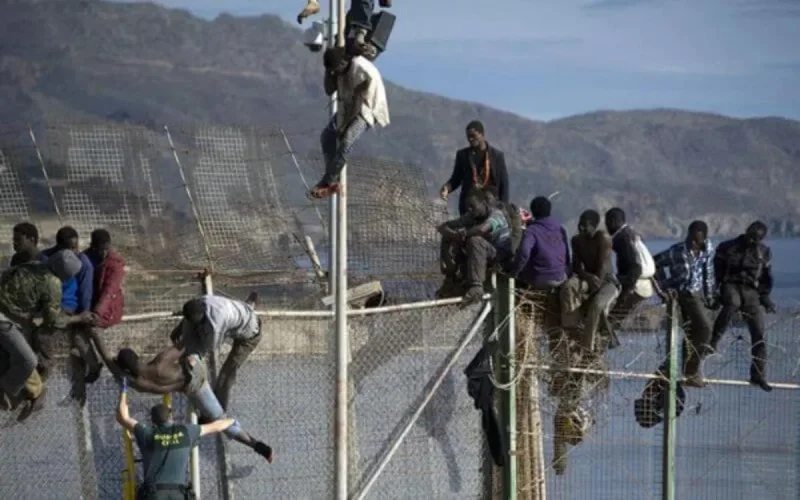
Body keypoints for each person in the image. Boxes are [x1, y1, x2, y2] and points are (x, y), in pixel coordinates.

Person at [89, 329, 273, 463]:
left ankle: (258, 446)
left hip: (192, 389)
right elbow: (185, 344)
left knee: (221, 421)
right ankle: (238, 326)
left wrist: (94, 335)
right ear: (138, 358)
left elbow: (108, 359)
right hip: (195, 373)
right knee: (191, 340)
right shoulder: (159, 363)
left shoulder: (134, 383)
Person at [0, 250, 92, 421]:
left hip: (12, 319)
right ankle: (8, 391)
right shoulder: (53, 284)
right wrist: (79, 318)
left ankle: (28, 391)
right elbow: (52, 321)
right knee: (28, 361)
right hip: (5, 321)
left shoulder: (34, 265)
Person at [115, 380, 234, 500]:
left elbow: (123, 417)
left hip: (154, 494)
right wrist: (232, 421)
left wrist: (123, 389)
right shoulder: (186, 432)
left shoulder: (147, 433)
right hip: (179, 494)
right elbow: (218, 426)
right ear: (171, 417)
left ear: (153, 422)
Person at [309, 46, 390, 199]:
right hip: (348, 107)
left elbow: (365, 96)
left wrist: (346, 126)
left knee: (347, 141)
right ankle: (333, 178)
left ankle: (326, 182)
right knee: (327, 136)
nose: (334, 73)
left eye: (335, 69)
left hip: (366, 108)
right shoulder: (336, 71)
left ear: (342, 64)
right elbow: (328, 90)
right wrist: (328, 72)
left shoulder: (360, 67)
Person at [709, 221, 776, 392]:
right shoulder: (727, 247)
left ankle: (758, 374)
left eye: (757, 239)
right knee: (732, 303)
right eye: (752, 237)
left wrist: (765, 297)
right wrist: (715, 293)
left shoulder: (764, 252)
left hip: (751, 291)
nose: (753, 241)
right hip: (730, 285)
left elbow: (766, 278)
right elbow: (716, 271)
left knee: (759, 333)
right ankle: (713, 341)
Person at [169, 293, 261, 411]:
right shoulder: (200, 301)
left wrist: (193, 359)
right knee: (191, 347)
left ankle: (218, 412)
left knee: (226, 375)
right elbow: (190, 320)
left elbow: (210, 348)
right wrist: (179, 329)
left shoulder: (215, 325)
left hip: (249, 334)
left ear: (203, 316)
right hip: (238, 315)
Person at [652, 220, 716, 388]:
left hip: (698, 294)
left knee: (691, 334)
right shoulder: (677, 251)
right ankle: (691, 370)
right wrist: (664, 286)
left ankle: (689, 371)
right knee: (705, 328)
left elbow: (708, 274)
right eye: (691, 239)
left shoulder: (707, 249)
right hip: (684, 293)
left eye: (698, 240)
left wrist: (710, 297)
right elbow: (654, 263)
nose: (694, 243)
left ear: (704, 238)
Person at [41, 226, 97, 402]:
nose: (75, 251)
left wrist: (83, 314)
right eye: (70, 248)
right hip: (52, 309)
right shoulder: (45, 259)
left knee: (77, 344)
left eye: (76, 247)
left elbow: (86, 290)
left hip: (71, 308)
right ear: (59, 246)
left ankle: (85, 380)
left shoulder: (81, 262)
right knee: (53, 348)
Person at [436, 188, 511, 304]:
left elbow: (482, 229)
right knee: (448, 237)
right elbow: (443, 227)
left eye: (473, 206)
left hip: (498, 254)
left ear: (484, 203)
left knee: (475, 240)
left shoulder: (496, 215)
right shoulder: (471, 216)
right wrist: (454, 234)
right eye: (468, 207)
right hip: (479, 253)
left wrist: (464, 234)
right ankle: (450, 277)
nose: (470, 210)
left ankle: (476, 286)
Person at [563, 209, 619, 354]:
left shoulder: (603, 238)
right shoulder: (576, 240)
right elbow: (576, 266)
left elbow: (602, 267)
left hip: (607, 282)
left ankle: (587, 346)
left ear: (594, 226)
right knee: (569, 287)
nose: (581, 228)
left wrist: (593, 292)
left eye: (585, 225)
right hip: (588, 278)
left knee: (597, 305)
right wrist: (586, 276)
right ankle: (572, 328)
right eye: (580, 224)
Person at [604, 207, 656, 340]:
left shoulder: (622, 238)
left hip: (634, 283)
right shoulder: (633, 234)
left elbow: (636, 268)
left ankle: (605, 340)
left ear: (613, 221)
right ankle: (608, 339)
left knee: (610, 318)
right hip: (644, 284)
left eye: (607, 222)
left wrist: (624, 293)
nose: (606, 226)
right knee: (614, 319)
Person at [440, 121, 509, 216]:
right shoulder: (463, 155)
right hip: (469, 206)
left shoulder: (497, 156)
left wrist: (503, 208)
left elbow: (504, 183)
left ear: (482, 134)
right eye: (468, 136)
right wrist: (447, 188)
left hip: (491, 205)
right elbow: (456, 178)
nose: (470, 139)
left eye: (473, 135)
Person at [510, 196, 570, 290]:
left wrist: (514, 272)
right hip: (561, 277)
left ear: (533, 212)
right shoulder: (560, 228)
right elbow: (567, 255)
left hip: (539, 280)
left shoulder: (531, 231)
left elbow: (524, 254)